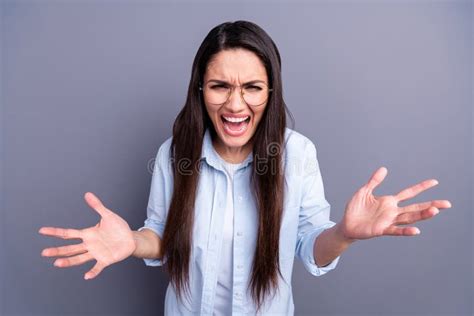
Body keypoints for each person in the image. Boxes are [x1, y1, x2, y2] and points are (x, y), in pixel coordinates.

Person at [38, 20, 452, 315]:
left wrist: (344, 234)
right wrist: (132, 240)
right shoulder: (173, 153)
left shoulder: (298, 154)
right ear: (200, 90)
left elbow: (309, 248)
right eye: (220, 86)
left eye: (252, 88)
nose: (235, 105)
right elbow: (163, 238)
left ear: (270, 92)